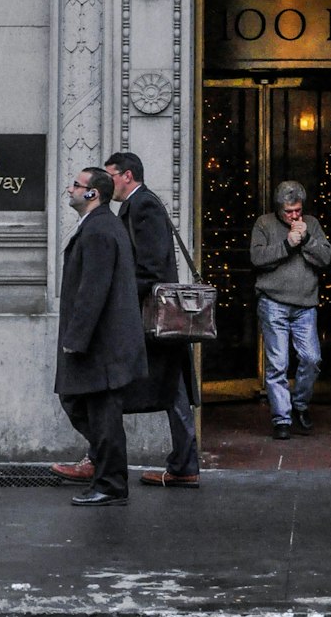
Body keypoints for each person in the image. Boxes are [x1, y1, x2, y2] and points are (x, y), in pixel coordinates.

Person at [105, 151, 201, 489]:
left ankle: (102, 457)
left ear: (127, 175)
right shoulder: (138, 204)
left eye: (111, 175)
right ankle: (183, 463)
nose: (108, 183)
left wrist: (122, 293)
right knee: (171, 389)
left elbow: (151, 267)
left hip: (152, 315)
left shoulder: (141, 206)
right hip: (156, 316)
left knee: (163, 387)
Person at [54, 166, 147, 506]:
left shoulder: (99, 230)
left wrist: (76, 339)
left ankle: (110, 482)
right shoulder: (100, 226)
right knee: (78, 403)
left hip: (101, 345)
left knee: (101, 414)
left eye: (76, 185)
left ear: (93, 193)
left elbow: (93, 290)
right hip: (100, 343)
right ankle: (107, 471)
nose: (70, 190)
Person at [250, 180, 331, 438]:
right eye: (289, 211)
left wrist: (306, 238)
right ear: (279, 209)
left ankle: (299, 404)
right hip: (273, 302)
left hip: (305, 304)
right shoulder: (264, 224)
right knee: (277, 363)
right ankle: (282, 419)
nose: (294, 216)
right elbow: (257, 258)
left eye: (297, 210)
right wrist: (287, 245)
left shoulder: (312, 224)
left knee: (312, 359)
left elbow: (326, 258)